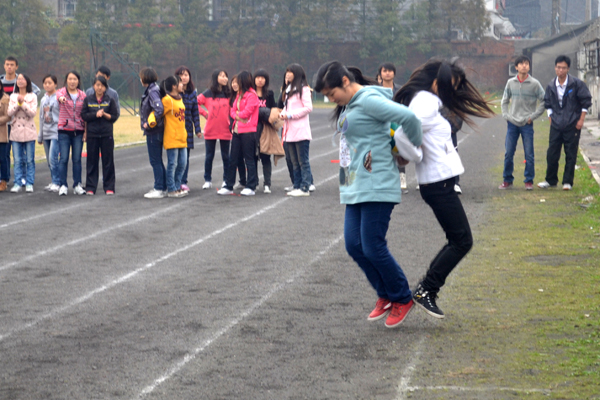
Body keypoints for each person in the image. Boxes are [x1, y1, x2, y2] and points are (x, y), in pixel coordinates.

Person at [314, 61, 423, 328]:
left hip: (377, 183)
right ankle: (385, 294)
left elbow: (409, 118)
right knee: (354, 245)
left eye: (331, 94)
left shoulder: (368, 100)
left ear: (344, 81)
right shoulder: (351, 104)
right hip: (356, 184)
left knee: (373, 246)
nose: (331, 100)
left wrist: (411, 150)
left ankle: (402, 297)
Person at [394, 58, 494, 319]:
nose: (454, 91)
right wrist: (415, 155)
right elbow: (402, 135)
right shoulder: (426, 101)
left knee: (459, 239)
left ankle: (427, 289)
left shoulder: (428, 100)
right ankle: (427, 289)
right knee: (462, 240)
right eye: (453, 85)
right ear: (437, 82)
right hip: (438, 183)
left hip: (440, 182)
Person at [538, 55, 592, 191]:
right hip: (556, 124)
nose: (560, 70)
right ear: (555, 68)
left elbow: (585, 102)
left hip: (572, 124)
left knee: (570, 153)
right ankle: (550, 180)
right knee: (552, 153)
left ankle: (567, 182)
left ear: (568, 69)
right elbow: (548, 104)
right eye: (558, 67)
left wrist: (581, 120)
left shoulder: (577, 84)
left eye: (563, 68)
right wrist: (551, 118)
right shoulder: (551, 85)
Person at [499, 55, 545, 191]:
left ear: (529, 67)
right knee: (508, 153)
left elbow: (544, 101)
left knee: (529, 154)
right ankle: (507, 180)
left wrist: (533, 116)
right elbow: (504, 100)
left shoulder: (535, 83)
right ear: (516, 67)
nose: (524, 66)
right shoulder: (510, 82)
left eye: (526, 64)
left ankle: (528, 181)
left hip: (527, 123)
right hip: (512, 123)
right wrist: (506, 115)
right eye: (521, 64)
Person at [218, 71, 260, 196]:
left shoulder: (252, 95)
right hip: (237, 130)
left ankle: (251, 186)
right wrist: (237, 115)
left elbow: (246, 113)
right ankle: (229, 185)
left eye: (239, 81)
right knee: (233, 158)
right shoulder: (239, 95)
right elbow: (232, 110)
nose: (236, 84)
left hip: (248, 131)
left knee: (249, 159)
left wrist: (237, 115)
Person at [1, 56, 40, 185]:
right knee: (5, 153)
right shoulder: (1, 80)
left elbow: (36, 90)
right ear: (4, 66)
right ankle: (5, 178)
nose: (9, 67)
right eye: (7, 64)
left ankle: (23, 178)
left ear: (16, 67)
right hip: (4, 121)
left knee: (23, 155)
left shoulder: (20, 79)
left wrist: (26, 101)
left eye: (12, 65)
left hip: (19, 120)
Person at [81, 76, 119, 195]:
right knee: (92, 161)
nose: (99, 87)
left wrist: (105, 115)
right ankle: (91, 187)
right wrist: (95, 114)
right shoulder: (88, 100)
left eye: (102, 85)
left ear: (105, 87)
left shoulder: (110, 100)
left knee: (108, 161)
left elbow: (114, 116)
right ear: (93, 86)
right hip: (92, 134)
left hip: (106, 134)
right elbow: (84, 115)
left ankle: (109, 187)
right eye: (97, 85)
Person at [280, 64, 313, 197]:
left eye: (290, 72)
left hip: (300, 131)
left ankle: (305, 187)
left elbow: (308, 108)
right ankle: (297, 185)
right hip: (289, 131)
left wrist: (290, 115)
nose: (287, 74)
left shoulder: (304, 89)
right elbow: (287, 107)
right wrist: (282, 113)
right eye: (287, 71)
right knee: (294, 162)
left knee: (302, 161)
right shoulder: (288, 90)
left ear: (297, 74)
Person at [197, 70, 231, 190]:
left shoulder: (229, 93)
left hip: (226, 128)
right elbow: (195, 103)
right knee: (209, 156)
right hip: (211, 128)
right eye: (222, 76)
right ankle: (207, 180)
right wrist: (204, 113)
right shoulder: (208, 93)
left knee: (226, 156)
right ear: (216, 78)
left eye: (226, 76)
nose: (224, 78)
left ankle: (226, 180)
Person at [56, 71, 87, 196]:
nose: (72, 81)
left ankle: (77, 184)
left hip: (78, 131)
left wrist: (85, 131)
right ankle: (63, 185)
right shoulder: (61, 92)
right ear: (66, 80)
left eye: (75, 79)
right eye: (70, 79)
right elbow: (58, 96)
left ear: (78, 81)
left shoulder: (83, 95)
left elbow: (85, 114)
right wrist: (61, 99)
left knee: (77, 159)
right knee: (63, 158)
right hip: (64, 131)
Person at [7, 74, 38, 193]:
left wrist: (23, 103)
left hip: (29, 129)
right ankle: (17, 182)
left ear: (27, 81)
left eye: (22, 79)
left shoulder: (33, 96)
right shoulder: (13, 96)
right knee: (17, 159)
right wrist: (17, 103)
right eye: (18, 79)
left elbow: (32, 113)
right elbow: (9, 112)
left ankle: (29, 182)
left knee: (30, 159)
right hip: (16, 130)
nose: (20, 81)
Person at [378, 62, 406, 191]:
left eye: (390, 71)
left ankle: (402, 176)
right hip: (381, 124)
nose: (387, 73)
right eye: (384, 71)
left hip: (397, 123)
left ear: (394, 73)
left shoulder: (400, 90)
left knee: (399, 149)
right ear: (380, 74)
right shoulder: (376, 90)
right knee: (382, 152)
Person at [139, 67, 166, 199]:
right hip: (157, 130)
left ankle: (159, 188)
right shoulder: (154, 89)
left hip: (154, 131)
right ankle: (163, 186)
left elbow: (159, 109)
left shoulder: (152, 91)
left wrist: (150, 123)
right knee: (158, 160)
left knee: (155, 160)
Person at [160, 75, 188, 198]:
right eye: (180, 83)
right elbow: (158, 113)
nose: (183, 85)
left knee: (182, 163)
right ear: (174, 86)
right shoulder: (167, 100)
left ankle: (177, 186)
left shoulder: (180, 99)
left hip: (182, 136)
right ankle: (171, 189)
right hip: (172, 137)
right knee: (172, 164)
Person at [176, 66, 201, 192]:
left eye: (186, 75)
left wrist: (198, 129)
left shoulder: (192, 94)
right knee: (175, 157)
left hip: (187, 129)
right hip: (175, 129)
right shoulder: (174, 93)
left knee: (185, 157)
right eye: (181, 75)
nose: (183, 77)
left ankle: (183, 181)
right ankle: (174, 181)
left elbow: (195, 112)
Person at [254, 69, 276, 194]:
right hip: (253, 128)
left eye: (262, 78)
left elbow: (273, 109)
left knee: (266, 157)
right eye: (258, 77)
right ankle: (254, 182)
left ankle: (267, 184)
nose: (260, 80)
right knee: (253, 156)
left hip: (266, 129)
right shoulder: (250, 94)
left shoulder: (269, 94)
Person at [38, 75, 61, 193]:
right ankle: (53, 180)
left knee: (53, 158)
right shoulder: (43, 99)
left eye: (50, 83)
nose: (47, 85)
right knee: (48, 160)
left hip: (56, 132)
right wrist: (40, 135)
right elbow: (41, 117)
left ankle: (57, 182)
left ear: (55, 84)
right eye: (45, 83)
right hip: (46, 132)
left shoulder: (59, 98)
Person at [0, 84, 9, 191]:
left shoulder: (5, 98)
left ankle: (4, 180)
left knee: (2, 158)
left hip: (1, 132)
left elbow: (8, 116)